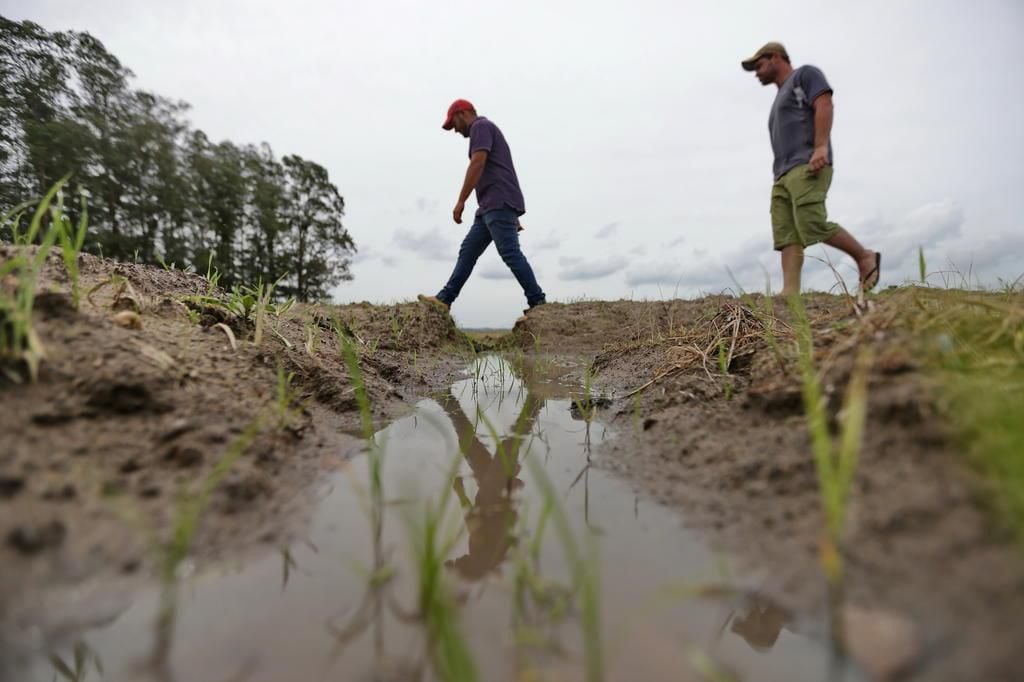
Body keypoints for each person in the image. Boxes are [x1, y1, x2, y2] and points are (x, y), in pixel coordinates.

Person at [742, 42, 880, 296]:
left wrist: (820, 147)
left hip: (807, 163)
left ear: (776, 57)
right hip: (782, 174)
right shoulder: (778, 98)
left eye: (759, 65)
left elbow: (824, 103)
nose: (756, 72)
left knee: (811, 222)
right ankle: (790, 291)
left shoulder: (804, 75)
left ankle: (864, 256)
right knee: (786, 234)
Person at [419, 99, 546, 315]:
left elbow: (478, 162)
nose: (455, 131)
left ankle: (538, 303)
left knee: (510, 252)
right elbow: (499, 168)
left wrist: (461, 200)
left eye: (454, 124)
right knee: (468, 251)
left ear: (462, 114)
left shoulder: (480, 126)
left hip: (498, 201)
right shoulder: (485, 128)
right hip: (490, 205)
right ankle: (445, 299)